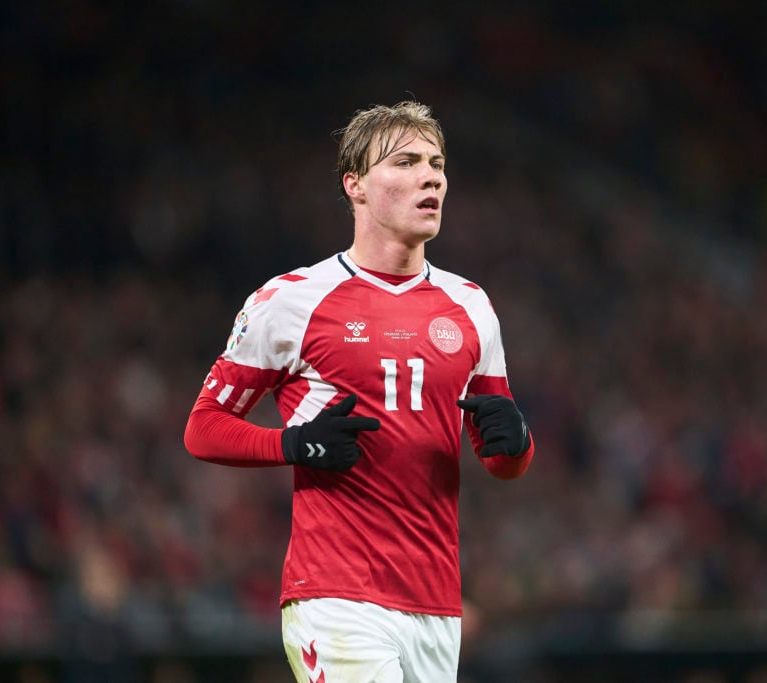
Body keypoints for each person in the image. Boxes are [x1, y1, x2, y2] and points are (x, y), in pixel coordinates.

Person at [183, 100, 534, 682]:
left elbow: (500, 459)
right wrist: (293, 444)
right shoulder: (292, 300)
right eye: (406, 162)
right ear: (356, 187)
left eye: (437, 163)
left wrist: (519, 443)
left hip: (435, 603)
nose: (431, 176)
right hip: (334, 593)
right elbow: (203, 428)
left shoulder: (472, 307)